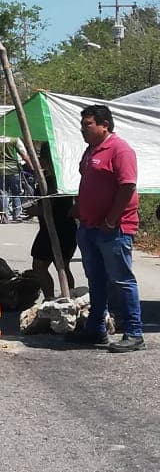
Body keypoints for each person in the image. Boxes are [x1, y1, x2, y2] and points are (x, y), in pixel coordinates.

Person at [69, 104, 145, 352]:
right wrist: (80, 208)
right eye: (82, 125)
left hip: (114, 229)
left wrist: (112, 219)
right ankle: (96, 329)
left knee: (121, 280)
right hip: (90, 226)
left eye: (87, 125)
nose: (83, 129)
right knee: (96, 279)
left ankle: (134, 333)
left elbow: (127, 186)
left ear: (105, 125)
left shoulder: (120, 150)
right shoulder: (90, 150)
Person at [29, 144, 76, 299]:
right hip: (49, 229)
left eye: (41, 157)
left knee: (57, 266)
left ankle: (67, 297)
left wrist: (36, 210)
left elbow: (50, 207)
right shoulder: (49, 178)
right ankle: (51, 297)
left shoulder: (56, 181)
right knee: (46, 266)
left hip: (59, 228)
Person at [0, 134, 29, 222]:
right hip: (13, 170)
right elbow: (23, 154)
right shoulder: (15, 139)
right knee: (16, 193)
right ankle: (17, 215)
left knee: (2, 193)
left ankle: (4, 216)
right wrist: (32, 166)